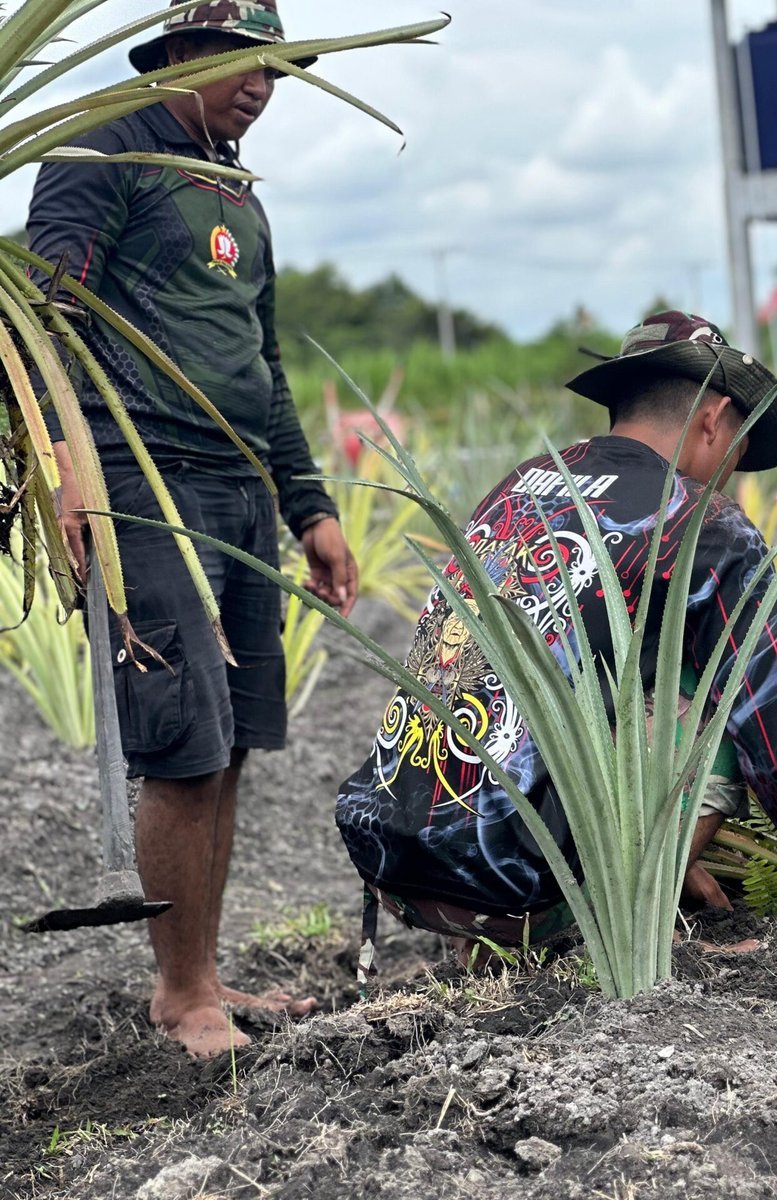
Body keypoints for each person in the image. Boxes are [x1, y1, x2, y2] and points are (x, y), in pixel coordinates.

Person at [335, 311, 777, 958]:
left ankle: (505, 935)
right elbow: (775, 726)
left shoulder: (520, 486)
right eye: (738, 451)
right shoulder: (703, 523)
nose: (731, 477)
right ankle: (621, 923)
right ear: (713, 419)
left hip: (392, 857)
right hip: (518, 882)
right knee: (721, 682)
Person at [30, 0, 359, 1057]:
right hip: (137, 478)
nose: (264, 83)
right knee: (181, 737)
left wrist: (309, 506)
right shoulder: (102, 150)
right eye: (244, 59)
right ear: (177, 54)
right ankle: (180, 994)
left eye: (279, 68)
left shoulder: (236, 192)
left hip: (236, 492)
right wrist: (66, 471)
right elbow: (49, 323)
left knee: (230, 741)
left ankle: (204, 974)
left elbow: (262, 367)